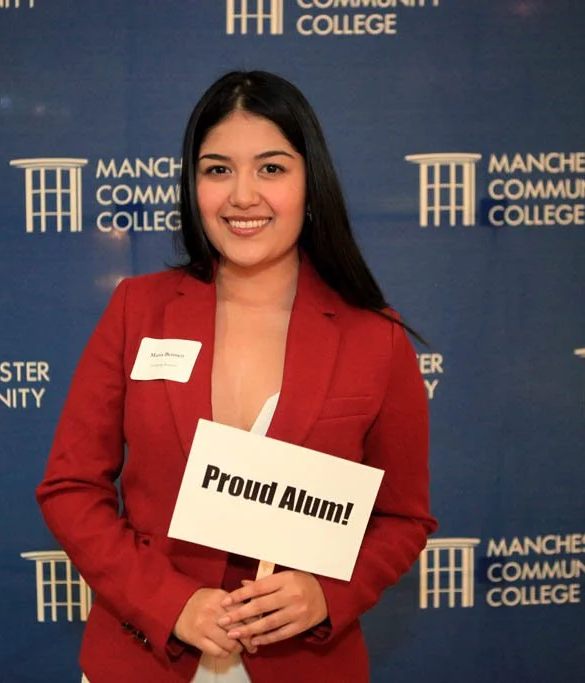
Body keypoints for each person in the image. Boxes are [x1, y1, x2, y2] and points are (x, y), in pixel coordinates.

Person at [36, 70, 437, 683]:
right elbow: (70, 488)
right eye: (217, 169)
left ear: (311, 183)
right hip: (144, 658)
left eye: (271, 169)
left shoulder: (374, 337)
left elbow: (402, 519)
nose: (242, 196)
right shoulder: (137, 310)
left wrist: (325, 593)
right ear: (193, 184)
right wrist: (171, 603)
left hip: (305, 664)